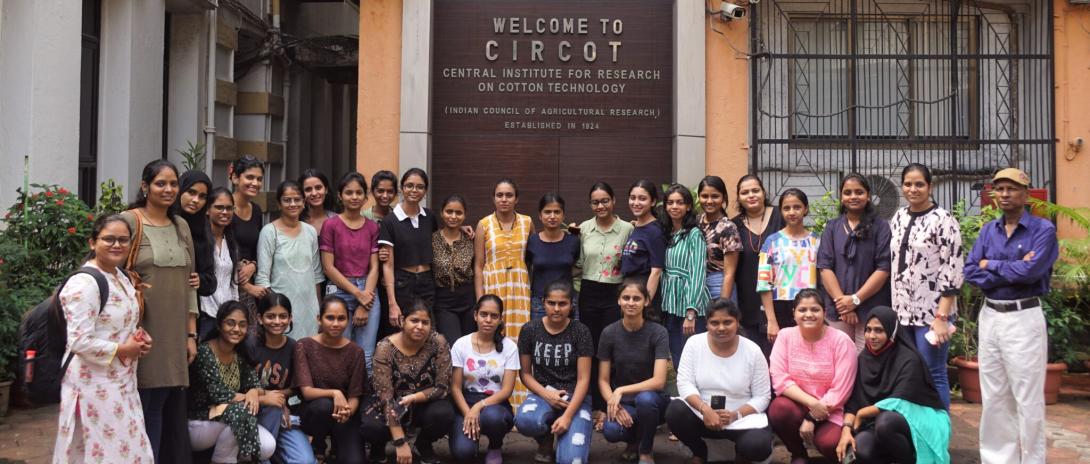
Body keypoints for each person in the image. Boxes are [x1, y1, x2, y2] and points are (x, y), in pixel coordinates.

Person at [964, 167, 1058, 464]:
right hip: (990, 315)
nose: (1004, 194)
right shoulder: (988, 230)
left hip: (1023, 317)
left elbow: (1032, 272)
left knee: (1027, 399)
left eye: (1011, 188)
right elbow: (970, 272)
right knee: (993, 397)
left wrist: (988, 263)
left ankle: (1032, 460)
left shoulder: (1043, 231)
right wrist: (1011, 267)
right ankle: (997, 460)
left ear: (1026, 193)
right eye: (999, 189)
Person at [54, 214, 155, 463]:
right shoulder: (85, 283)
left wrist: (139, 339)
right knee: (99, 452)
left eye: (123, 240)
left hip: (121, 382)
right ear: (92, 242)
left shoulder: (120, 277)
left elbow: (120, 322)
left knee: (127, 449)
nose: (117, 245)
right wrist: (124, 349)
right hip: (92, 386)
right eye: (108, 239)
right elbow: (79, 341)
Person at [122, 159, 198, 463]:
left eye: (173, 184)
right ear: (145, 187)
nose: (168, 189)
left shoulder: (181, 225)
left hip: (173, 331)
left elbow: (190, 282)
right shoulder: (129, 221)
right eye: (160, 183)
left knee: (158, 404)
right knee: (138, 402)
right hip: (138, 328)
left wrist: (190, 333)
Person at [889, 163, 963, 408]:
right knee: (909, 374)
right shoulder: (899, 217)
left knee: (934, 373)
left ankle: (939, 438)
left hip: (932, 315)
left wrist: (942, 316)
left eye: (919, 184)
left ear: (929, 187)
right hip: (903, 312)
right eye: (908, 184)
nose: (913, 189)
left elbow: (952, 270)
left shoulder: (944, 220)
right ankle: (916, 433)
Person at [836, 307, 951, 464]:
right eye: (868, 330)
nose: (872, 336)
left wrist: (863, 413)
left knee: (886, 423)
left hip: (915, 422)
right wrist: (846, 429)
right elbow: (854, 401)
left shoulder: (909, 359)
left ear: (892, 331)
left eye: (879, 330)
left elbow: (900, 401)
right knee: (860, 449)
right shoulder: (864, 359)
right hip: (875, 423)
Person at [665, 299, 773, 464]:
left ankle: (742, 455)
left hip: (741, 417)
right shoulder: (694, 344)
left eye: (727, 322)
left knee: (758, 445)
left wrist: (735, 415)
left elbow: (763, 396)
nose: (721, 328)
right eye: (714, 323)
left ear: (737, 322)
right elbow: (685, 383)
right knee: (675, 411)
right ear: (707, 324)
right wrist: (705, 409)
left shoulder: (753, 351)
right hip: (702, 414)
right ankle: (699, 452)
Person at [768, 289, 858, 464]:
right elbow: (779, 379)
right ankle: (798, 454)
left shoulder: (841, 341)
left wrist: (812, 417)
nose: (808, 314)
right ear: (794, 313)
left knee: (829, 444)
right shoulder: (785, 336)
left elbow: (841, 390)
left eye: (815, 310)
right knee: (779, 409)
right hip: (799, 405)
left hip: (831, 410)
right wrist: (812, 405)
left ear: (824, 313)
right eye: (802, 310)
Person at [361, 300, 454, 464]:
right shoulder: (385, 348)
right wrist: (400, 442)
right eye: (414, 320)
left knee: (444, 414)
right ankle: (378, 447)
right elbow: (386, 398)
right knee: (371, 425)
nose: (419, 326)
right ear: (403, 321)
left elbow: (442, 387)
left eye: (425, 322)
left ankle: (423, 445)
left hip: (424, 402)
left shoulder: (438, 342)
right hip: (389, 404)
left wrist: (414, 397)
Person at [514, 280, 595, 464]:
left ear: (571, 304)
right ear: (543, 302)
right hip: (543, 395)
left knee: (570, 460)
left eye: (562, 303)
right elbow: (525, 374)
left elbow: (584, 380)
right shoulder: (530, 330)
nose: (556, 309)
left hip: (575, 398)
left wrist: (567, 417)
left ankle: (567, 430)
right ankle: (545, 440)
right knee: (526, 420)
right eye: (551, 303)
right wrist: (547, 394)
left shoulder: (581, 331)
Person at [187, 301, 276, 463]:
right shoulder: (204, 352)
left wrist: (254, 392)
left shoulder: (239, 355)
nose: (236, 329)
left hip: (228, 419)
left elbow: (257, 385)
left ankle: (236, 456)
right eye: (230, 323)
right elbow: (219, 394)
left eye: (242, 325)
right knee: (241, 414)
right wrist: (261, 399)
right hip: (199, 423)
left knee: (268, 446)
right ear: (219, 325)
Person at [598, 279, 671, 464]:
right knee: (611, 431)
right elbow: (603, 379)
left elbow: (659, 381)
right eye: (626, 298)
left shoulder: (658, 332)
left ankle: (646, 450)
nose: (631, 303)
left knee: (645, 399)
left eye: (636, 298)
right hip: (625, 403)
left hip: (654, 401)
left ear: (646, 301)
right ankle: (634, 442)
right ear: (619, 301)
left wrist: (621, 390)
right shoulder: (609, 333)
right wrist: (615, 404)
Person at [576, 182, 633, 413]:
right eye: (595, 202)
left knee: (610, 346)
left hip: (613, 292)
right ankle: (593, 405)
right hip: (588, 291)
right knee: (589, 346)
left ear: (613, 201)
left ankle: (612, 401)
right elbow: (578, 263)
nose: (600, 206)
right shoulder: (583, 229)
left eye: (605, 201)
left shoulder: (627, 229)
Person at [818, 174, 892, 351]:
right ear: (841, 197)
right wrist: (843, 304)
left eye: (859, 192)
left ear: (868, 196)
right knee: (841, 359)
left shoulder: (881, 227)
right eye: (847, 192)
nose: (853, 196)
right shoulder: (832, 227)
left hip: (871, 307)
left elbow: (883, 268)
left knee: (867, 358)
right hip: (838, 309)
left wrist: (856, 299)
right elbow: (825, 267)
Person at [320, 172, 382, 372]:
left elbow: (374, 267)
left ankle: (363, 400)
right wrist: (358, 295)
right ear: (340, 195)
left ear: (366, 197)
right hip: (339, 291)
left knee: (366, 354)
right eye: (349, 193)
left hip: (368, 289)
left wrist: (366, 301)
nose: (354, 197)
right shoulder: (330, 225)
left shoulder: (373, 227)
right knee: (339, 350)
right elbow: (328, 267)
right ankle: (340, 398)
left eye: (358, 193)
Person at [294, 296, 368, 463]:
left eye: (341, 318)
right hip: (314, 412)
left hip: (343, 415)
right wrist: (335, 393)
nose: (335, 323)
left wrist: (347, 412)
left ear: (348, 321)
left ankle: (337, 444)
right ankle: (317, 443)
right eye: (330, 318)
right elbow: (306, 392)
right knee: (323, 406)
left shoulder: (356, 352)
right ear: (319, 319)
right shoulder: (304, 346)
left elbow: (355, 394)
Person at [246, 292, 317, 464]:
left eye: (282, 316)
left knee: (305, 461)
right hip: (250, 412)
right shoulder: (249, 345)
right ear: (260, 318)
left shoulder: (294, 347)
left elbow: (297, 386)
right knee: (274, 405)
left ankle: (274, 451)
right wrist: (267, 398)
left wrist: (278, 397)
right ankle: (260, 457)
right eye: (270, 316)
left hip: (280, 414)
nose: (277, 321)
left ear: (290, 318)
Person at [448, 295, 520, 464]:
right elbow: (456, 388)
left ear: (500, 319)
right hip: (466, 402)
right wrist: (468, 413)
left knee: (492, 418)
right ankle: (469, 438)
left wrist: (479, 407)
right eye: (484, 314)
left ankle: (495, 445)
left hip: (495, 404)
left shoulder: (509, 347)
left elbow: (506, 390)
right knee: (463, 453)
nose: (488, 320)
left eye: (494, 316)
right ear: (475, 316)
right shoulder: (461, 344)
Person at [255, 181, 324, 338]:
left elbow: (316, 275)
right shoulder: (269, 232)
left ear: (303, 202)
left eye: (297, 199)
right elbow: (263, 278)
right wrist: (274, 312)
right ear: (279, 204)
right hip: (280, 309)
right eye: (287, 200)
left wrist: (319, 310)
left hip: (309, 309)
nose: (293, 204)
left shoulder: (310, 232)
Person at [379, 168, 439, 334]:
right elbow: (388, 266)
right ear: (402, 188)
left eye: (420, 187)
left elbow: (442, 238)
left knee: (427, 331)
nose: (414, 190)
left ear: (425, 191)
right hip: (402, 283)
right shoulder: (389, 221)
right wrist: (392, 303)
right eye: (409, 185)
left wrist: (461, 229)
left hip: (427, 282)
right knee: (400, 331)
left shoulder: (429, 217)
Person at [731, 175, 785, 356]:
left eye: (755, 190)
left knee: (780, 355)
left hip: (781, 299)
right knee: (755, 357)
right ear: (738, 198)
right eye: (745, 192)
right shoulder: (734, 225)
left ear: (763, 192)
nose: (751, 195)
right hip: (748, 302)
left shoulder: (781, 215)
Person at [757, 188, 818, 345]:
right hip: (779, 307)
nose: (792, 212)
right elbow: (764, 284)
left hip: (810, 307)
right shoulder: (772, 241)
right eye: (786, 208)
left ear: (806, 209)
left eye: (797, 207)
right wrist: (771, 320)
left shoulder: (816, 241)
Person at [474, 179, 533, 338]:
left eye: (509, 195)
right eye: (499, 195)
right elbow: (479, 266)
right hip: (493, 285)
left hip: (519, 287)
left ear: (516, 199)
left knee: (521, 335)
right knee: (494, 333)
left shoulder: (527, 222)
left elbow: (532, 259)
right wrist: (481, 300)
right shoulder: (483, 224)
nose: (504, 199)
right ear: (493, 199)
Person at [660, 184, 710, 367]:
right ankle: (683, 395)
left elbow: (697, 273)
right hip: (671, 306)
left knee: (693, 360)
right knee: (677, 357)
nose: (675, 206)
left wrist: (691, 312)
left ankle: (695, 396)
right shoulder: (668, 233)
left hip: (690, 306)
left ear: (688, 206)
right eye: (670, 202)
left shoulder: (694, 234)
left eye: (680, 202)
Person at [525, 193, 581, 321]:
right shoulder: (531, 241)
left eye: (557, 212)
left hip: (567, 302)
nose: (552, 216)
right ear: (540, 215)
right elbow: (526, 268)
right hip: (539, 303)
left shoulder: (573, 241)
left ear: (563, 215)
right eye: (547, 212)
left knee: (570, 340)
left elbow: (578, 267)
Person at [176, 170, 218, 337]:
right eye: (191, 192)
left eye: (202, 197)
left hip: (190, 311)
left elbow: (211, 280)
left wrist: (200, 279)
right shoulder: (165, 221)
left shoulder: (203, 227)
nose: (196, 200)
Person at [433, 195, 477, 343]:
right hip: (444, 302)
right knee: (454, 344)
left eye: (458, 213)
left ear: (465, 215)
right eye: (449, 211)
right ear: (441, 213)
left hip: (468, 300)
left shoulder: (471, 240)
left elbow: (478, 269)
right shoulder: (432, 240)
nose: (453, 216)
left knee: (469, 345)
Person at [621, 180, 666, 321]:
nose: (636, 202)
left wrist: (646, 303)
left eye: (642, 198)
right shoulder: (636, 226)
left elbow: (656, 271)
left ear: (653, 202)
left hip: (644, 290)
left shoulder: (655, 231)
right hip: (630, 290)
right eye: (632, 198)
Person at [229, 155, 267, 318]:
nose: (255, 183)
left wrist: (253, 265)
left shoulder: (257, 211)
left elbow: (256, 249)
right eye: (249, 177)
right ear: (236, 178)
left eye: (259, 179)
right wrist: (247, 287)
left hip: (248, 287)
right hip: (227, 286)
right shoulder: (224, 207)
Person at [200, 188, 240, 340]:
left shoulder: (230, 242)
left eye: (229, 208)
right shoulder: (200, 241)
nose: (225, 212)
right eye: (219, 207)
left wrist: (236, 311)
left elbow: (233, 284)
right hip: (206, 316)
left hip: (228, 318)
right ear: (207, 210)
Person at [696, 176, 742, 302]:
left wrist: (723, 303)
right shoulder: (696, 222)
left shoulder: (728, 228)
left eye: (715, 196)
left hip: (720, 288)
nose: (709, 201)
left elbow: (729, 273)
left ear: (724, 198)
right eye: (705, 196)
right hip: (697, 288)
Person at [299, 168, 338, 235]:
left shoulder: (337, 220)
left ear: (326, 190)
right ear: (302, 193)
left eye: (318, 188)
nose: (314, 193)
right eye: (308, 189)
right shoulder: (296, 221)